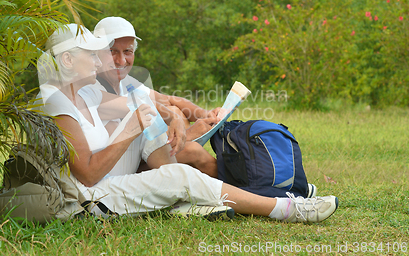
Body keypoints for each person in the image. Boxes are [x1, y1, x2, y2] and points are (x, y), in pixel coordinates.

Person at [36, 23, 339, 222]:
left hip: (109, 175)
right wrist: (133, 127)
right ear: (67, 61)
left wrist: (175, 118)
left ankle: (194, 196)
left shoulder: (84, 92)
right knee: (180, 172)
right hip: (89, 197)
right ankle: (283, 208)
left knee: (152, 130)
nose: (100, 59)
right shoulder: (57, 103)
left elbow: (145, 105)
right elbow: (87, 176)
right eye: (93, 53)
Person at [91, 16, 219, 177]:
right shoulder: (90, 86)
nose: (121, 60)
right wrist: (186, 131)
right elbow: (135, 111)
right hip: (117, 172)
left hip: (141, 158)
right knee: (193, 151)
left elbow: (168, 99)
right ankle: (238, 193)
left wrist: (204, 114)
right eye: (112, 51)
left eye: (127, 51)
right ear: (95, 53)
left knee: (174, 110)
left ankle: (240, 189)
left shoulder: (126, 81)